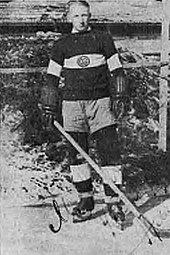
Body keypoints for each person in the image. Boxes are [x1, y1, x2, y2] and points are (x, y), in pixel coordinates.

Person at [40, 0, 128, 222]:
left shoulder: (102, 39)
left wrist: (119, 95)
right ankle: (86, 201)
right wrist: (49, 106)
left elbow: (117, 71)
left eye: (85, 15)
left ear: (90, 16)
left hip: (100, 102)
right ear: (69, 17)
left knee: (109, 151)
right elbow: (51, 79)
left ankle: (114, 202)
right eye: (77, 16)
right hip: (72, 105)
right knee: (77, 154)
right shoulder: (62, 45)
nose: (82, 20)